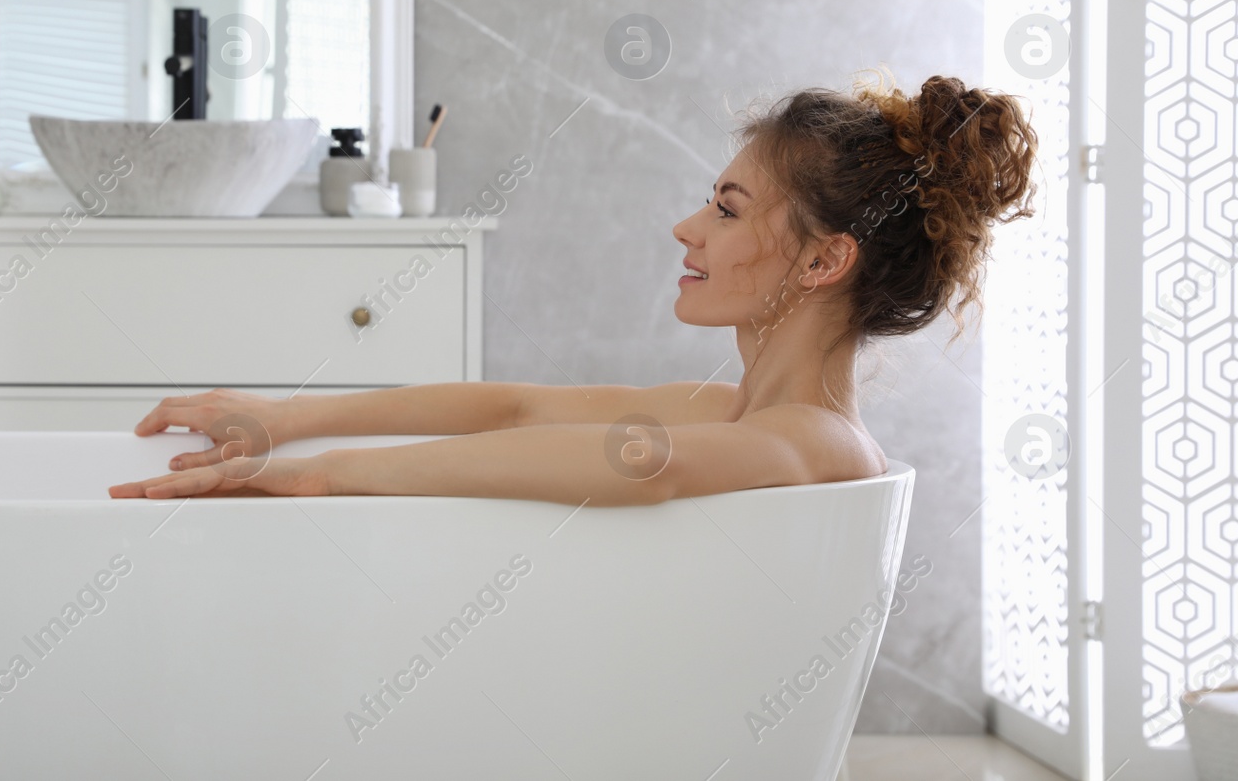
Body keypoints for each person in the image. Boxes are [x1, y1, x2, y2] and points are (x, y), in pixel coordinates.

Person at [109, 74, 1037, 507]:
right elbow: (514, 407)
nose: (687, 228)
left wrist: (330, 476)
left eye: (725, 207)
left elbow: (644, 464)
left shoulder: (817, 439)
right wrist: (291, 422)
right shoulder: (734, 411)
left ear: (822, 261)